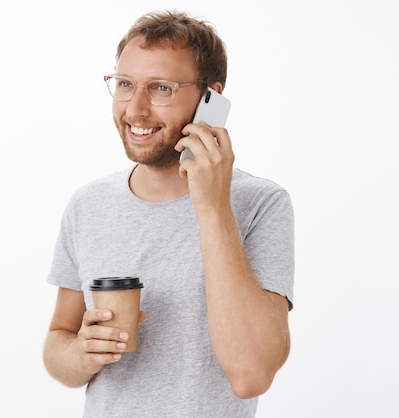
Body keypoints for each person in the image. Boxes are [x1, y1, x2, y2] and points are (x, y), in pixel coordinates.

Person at [43, 9, 294, 417]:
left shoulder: (260, 204)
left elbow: (251, 375)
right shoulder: (88, 204)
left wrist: (212, 207)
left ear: (210, 98)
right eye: (125, 84)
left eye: (161, 88)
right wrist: (82, 354)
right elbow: (59, 340)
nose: (136, 109)